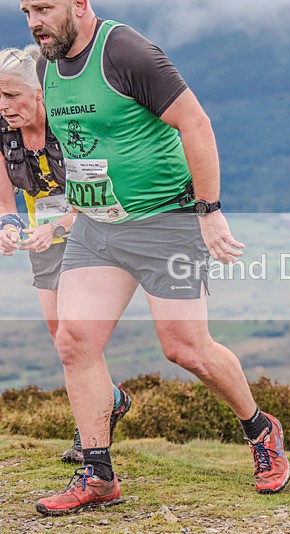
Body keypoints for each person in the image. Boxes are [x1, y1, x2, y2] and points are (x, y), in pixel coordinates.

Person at [19, 0, 290, 516]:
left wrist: (210, 211)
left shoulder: (126, 51)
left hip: (166, 221)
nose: (34, 21)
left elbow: (197, 123)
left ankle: (260, 427)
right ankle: (98, 474)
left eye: (44, 7)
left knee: (185, 347)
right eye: (26, 9)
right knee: (75, 339)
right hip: (98, 226)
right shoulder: (45, 62)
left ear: (79, 5)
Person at [0, 44, 131, 465]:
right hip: (45, 234)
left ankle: (90, 433)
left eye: (12, 96)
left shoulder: (68, 124)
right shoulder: (3, 132)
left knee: (80, 337)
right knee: (62, 338)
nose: (5, 107)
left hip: (94, 226)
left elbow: (96, 199)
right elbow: (6, 203)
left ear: (39, 93)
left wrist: (55, 227)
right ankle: (110, 399)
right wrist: (9, 227)